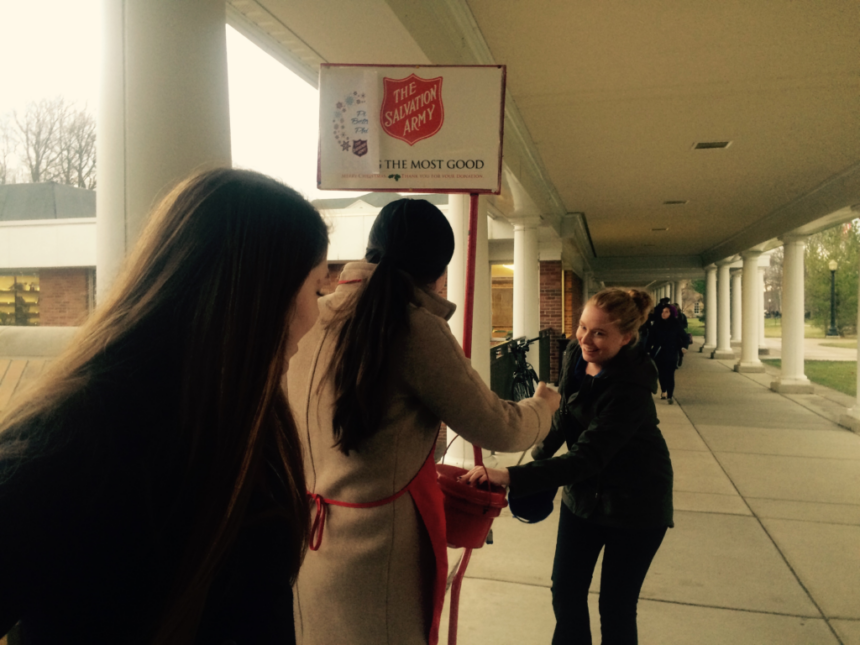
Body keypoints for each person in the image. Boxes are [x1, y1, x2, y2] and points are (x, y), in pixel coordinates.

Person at [0, 168, 329, 645]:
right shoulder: (64, 446)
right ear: (260, 294)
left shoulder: (250, 427)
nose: (315, 316)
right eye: (316, 288)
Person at [286, 198, 560, 645]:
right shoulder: (415, 329)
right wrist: (542, 408)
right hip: (380, 553)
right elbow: (500, 428)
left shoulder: (315, 314)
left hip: (307, 538)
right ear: (437, 270)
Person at [463, 288, 674, 645]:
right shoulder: (576, 353)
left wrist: (512, 476)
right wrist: (538, 452)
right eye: (582, 327)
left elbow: (587, 459)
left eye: (600, 333)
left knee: (616, 606)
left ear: (627, 337)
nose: (586, 339)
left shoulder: (632, 388)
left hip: (636, 506)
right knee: (565, 591)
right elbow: (566, 412)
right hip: (583, 498)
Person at [648, 305, 690, 403]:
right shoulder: (657, 324)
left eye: (666, 312)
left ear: (671, 313)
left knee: (670, 374)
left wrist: (684, 347)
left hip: (671, 352)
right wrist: (648, 350)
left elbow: (685, 337)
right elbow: (651, 338)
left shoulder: (675, 324)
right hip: (659, 352)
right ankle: (663, 391)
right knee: (661, 374)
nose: (664, 314)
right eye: (663, 312)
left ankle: (670, 395)